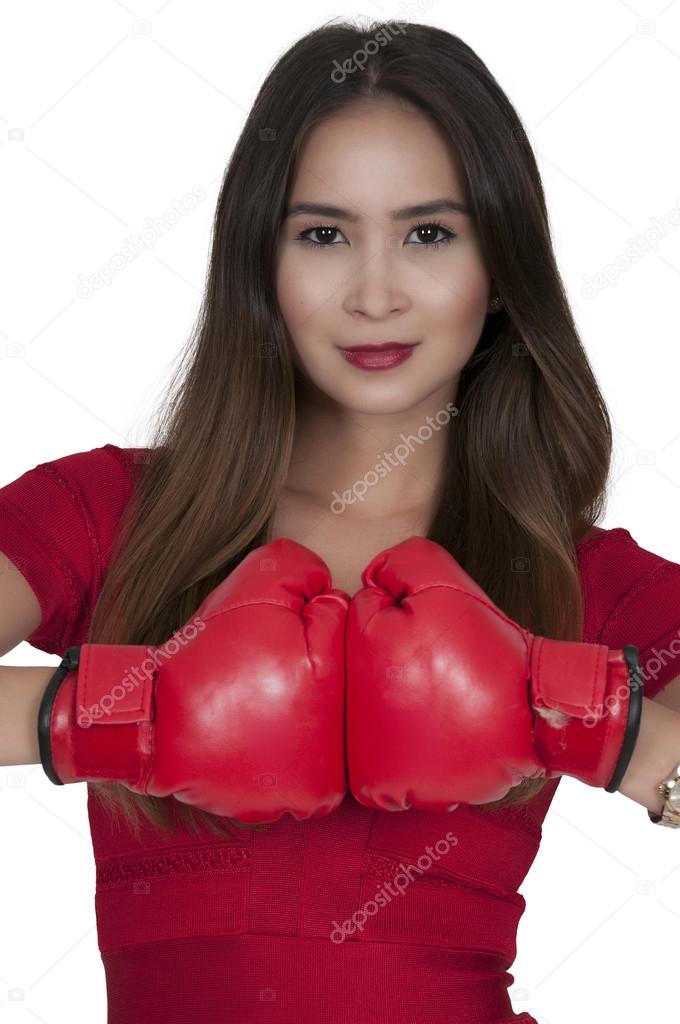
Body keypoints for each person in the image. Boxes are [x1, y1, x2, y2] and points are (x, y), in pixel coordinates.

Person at [2, 18, 680, 1024]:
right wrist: (109, 718)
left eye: (428, 234)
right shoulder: (109, 513)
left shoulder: (579, 578)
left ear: (499, 271)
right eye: (322, 234)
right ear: (258, 264)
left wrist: (611, 734)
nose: (372, 293)